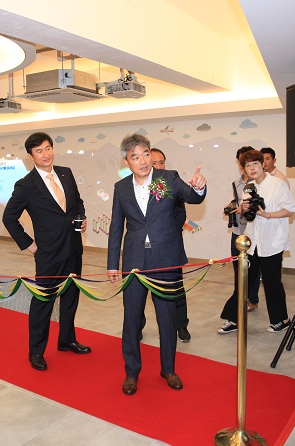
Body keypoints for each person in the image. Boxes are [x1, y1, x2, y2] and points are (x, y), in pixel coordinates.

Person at [107, 133, 207, 396]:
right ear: (127, 161)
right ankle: (131, 373)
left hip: (165, 259)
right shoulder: (121, 187)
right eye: (135, 157)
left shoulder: (168, 178)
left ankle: (168, 369)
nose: (142, 161)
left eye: (145, 154)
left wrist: (198, 187)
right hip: (134, 261)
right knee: (131, 319)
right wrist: (112, 264)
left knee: (167, 318)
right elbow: (116, 227)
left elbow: (193, 197)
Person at [2, 132, 90, 372]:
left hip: (73, 247)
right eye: (39, 151)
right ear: (31, 156)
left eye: (48, 148)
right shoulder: (26, 184)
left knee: (71, 297)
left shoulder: (65, 173)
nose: (45, 154)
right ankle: (36, 351)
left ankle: (67, 340)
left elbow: (77, 202)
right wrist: (29, 244)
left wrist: (81, 218)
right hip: (48, 253)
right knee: (43, 302)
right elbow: (9, 218)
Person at [219, 149, 295, 334]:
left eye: (255, 164)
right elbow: (250, 216)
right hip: (252, 242)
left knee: (272, 283)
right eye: (248, 166)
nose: (252, 168)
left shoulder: (277, 184)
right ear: (243, 169)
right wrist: (244, 209)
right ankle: (234, 319)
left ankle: (281, 320)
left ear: (263, 164)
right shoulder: (248, 187)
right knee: (243, 281)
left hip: (272, 241)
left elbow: (290, 210)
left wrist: (267, 214)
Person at [138, 148, 191, 342]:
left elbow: (180, 213)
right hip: (143, 250)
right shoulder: (136, 185)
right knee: (139, 291)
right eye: (155, 163)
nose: (159, 166)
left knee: (176, 288)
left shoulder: (171, 182)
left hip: (169, 247)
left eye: (162, 162)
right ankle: (137, 326)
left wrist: (166, 234)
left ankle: (181, 325)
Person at [225, 147, 261, 318]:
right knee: (238, 267)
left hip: (253, 230)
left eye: (251, 162)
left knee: (253, 267)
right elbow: (236, 201)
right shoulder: (236, 183)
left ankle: (252, 299)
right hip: (238, 230)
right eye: (243, 162)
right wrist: (232, 207)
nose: (247, 166)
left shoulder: (259, 182)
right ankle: (240, 298)